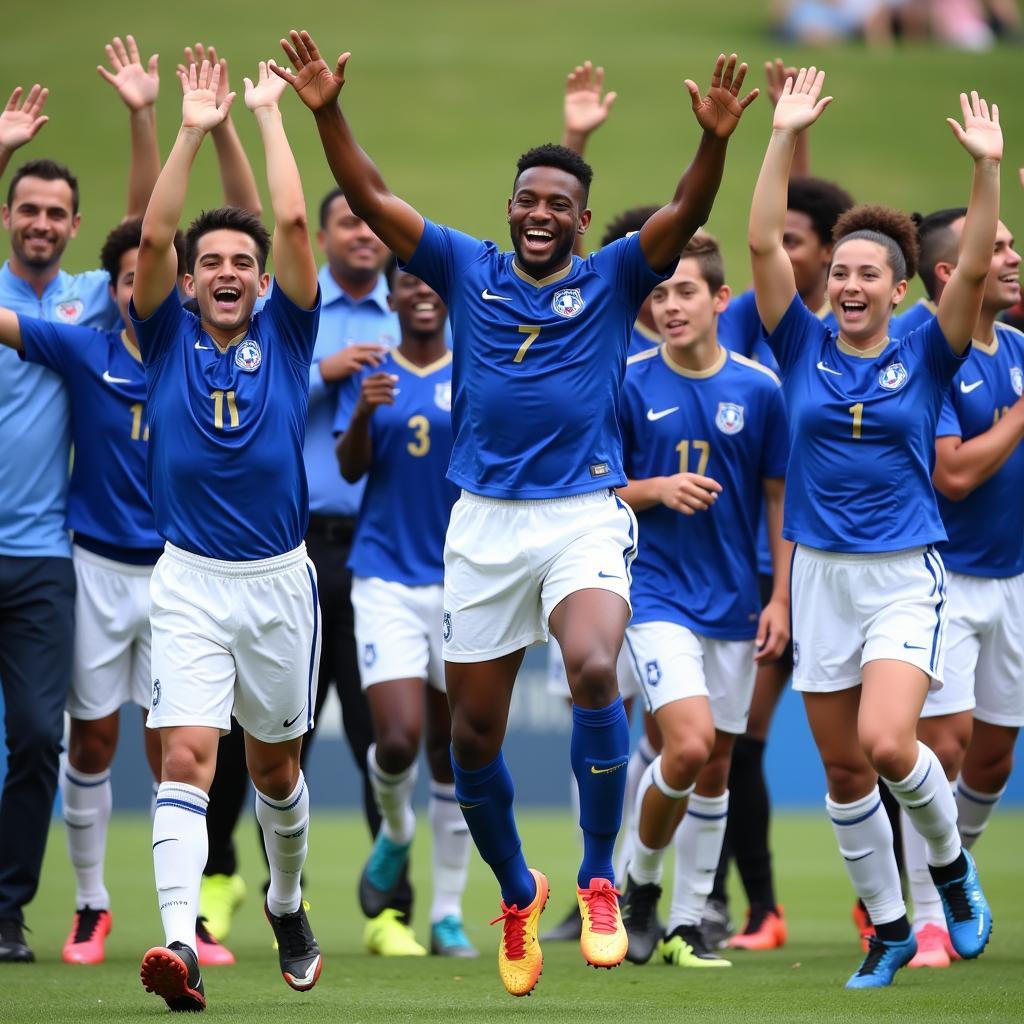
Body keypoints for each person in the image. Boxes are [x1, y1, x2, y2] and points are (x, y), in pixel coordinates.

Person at [274, 29, 757, 996]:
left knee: (590, 668)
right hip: (483, 525)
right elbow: (370, 195)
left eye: (561, 205)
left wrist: (713, 142)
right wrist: (326, 111)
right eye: (529, 200)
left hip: (581, 513)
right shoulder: (464, 266)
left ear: (583, 219)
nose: (543, 214)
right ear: (510, 210)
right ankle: (517, 891)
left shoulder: (616, 276)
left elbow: (687, 210)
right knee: (472, 743)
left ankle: (596, 878)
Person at [748, 66, 999, 988]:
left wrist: (985, 168)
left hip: (903, 574)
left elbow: (971, 266)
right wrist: (781, 134)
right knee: (847, 774)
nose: (851, 284)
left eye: (869, 274)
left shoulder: (929, 349)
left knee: (895, 746)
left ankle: (950, 873)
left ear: (900, 290)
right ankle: (889, 930)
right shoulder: (799, 342)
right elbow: (765, 241)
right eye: (841, 271)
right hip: (820, 577)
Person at [131, 58, 322, 1011]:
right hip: (190, 581)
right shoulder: (160, 335)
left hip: (280, 582)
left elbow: (290, 222)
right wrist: (190, 129)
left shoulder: (289, 336)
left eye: (240, 264)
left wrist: (267, 116)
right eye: (212, 263)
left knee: (276, 768)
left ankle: (287, 902)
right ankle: (178, 944)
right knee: (185, 759)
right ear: (189, 280)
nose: (227, 273)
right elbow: (157, 228)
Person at [0, 33, 162, 963]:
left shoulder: (87, 306)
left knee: (40, 738)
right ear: (10, 214)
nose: (43, 223)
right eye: (28, 207)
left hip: (44, 551)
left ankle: (34, 908)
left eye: (58, 212)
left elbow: (147, 234)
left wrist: (144, 113)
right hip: (78, 556)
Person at [615, 232, 790, 969]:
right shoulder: (625, 381)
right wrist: (654, 490)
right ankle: (638, 886)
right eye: (657, 293)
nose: (669, 305)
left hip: (734, 601)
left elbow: (779, 497)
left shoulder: (758, 388)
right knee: (683, 746)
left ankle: (687, 924)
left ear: (722, 300)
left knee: (716, 766)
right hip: (653, 595)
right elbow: (593, 487)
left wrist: (779, 596)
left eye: (685, 291)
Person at [892, 208, 1022, 968]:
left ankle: (950, 873)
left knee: (994, 759)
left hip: (1015, 581)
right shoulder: (928, 356)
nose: (1011, 256)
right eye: (998, 247)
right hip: (946, 577)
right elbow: (955, 474)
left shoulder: (1018, 349)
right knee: (940, 747)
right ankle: (929, 915)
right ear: (951, 271)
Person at [335, 264, 476, 958]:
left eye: (433, 284)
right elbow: (350, 469)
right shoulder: (373, 371)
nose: (421, 293)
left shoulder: (475, 374)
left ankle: (448, 914)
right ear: (390, 299)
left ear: (448, 297)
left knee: (454, 755)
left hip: (463, 584)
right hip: (385, 575)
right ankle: (394, 834)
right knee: (397, 740)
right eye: (408, 285)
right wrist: (363, 412)